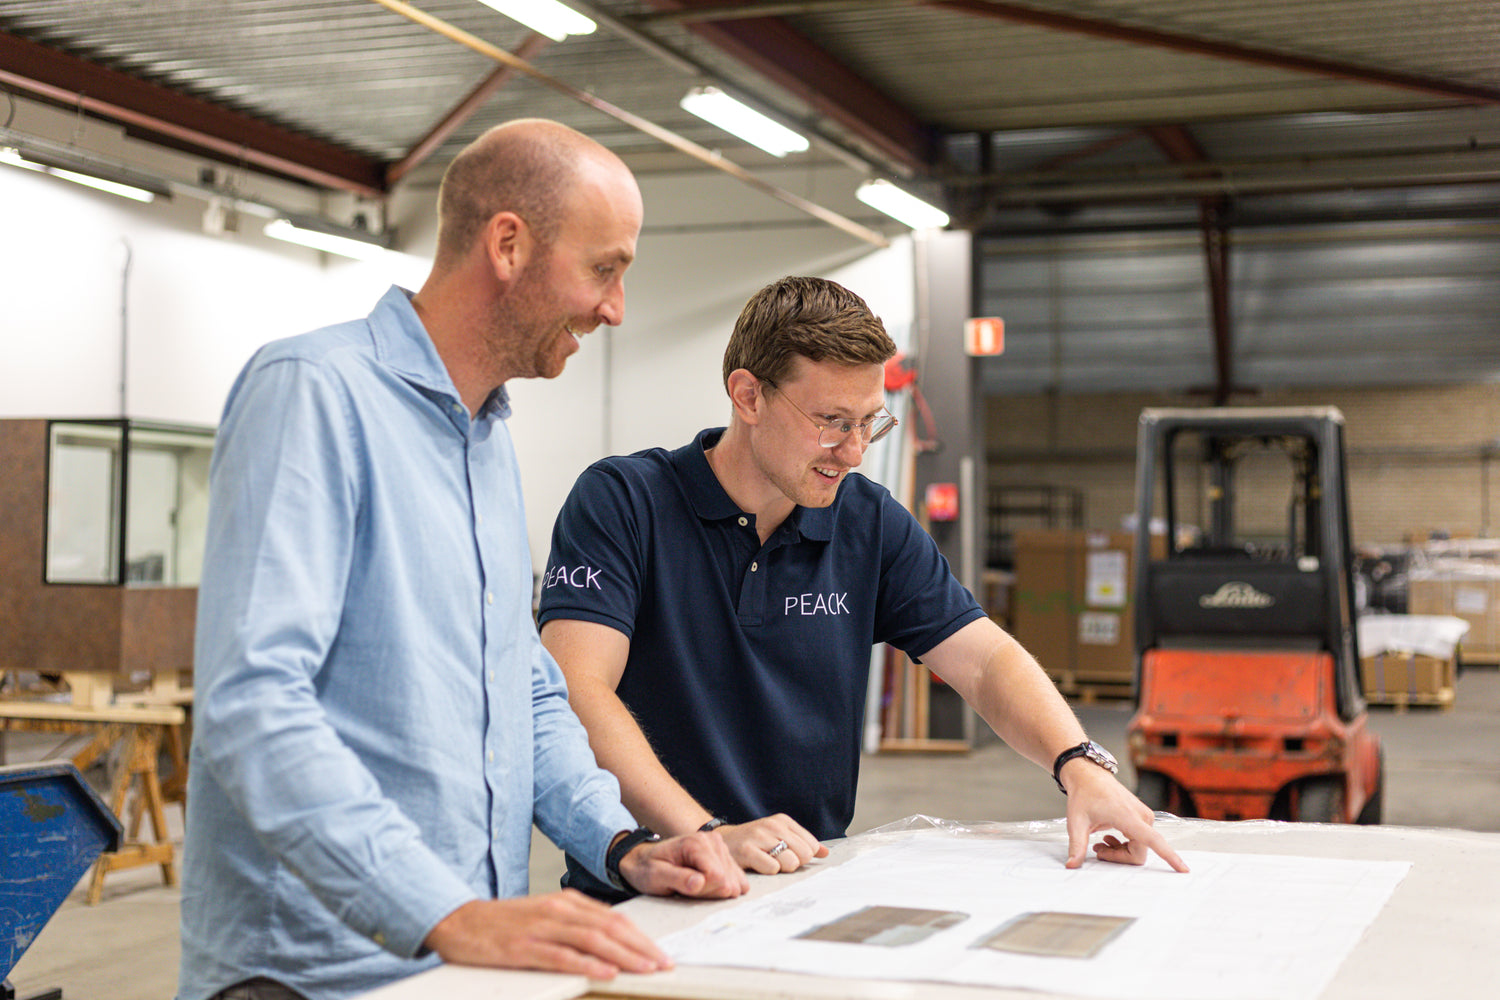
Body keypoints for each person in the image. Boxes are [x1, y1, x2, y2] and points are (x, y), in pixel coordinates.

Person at [178, 119, 746, 1000]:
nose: (615, 309)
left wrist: (621, 843)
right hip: (308, 977)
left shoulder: (485, 438)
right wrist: (445, 911)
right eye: (605, 268)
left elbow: (520, 687)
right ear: (509, 245)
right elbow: (253, 706)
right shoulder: (314, 394)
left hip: (462, 968)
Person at [537, 275, 1188, 900]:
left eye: (869, 423)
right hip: (643, 893)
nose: (852, 452)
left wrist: (1077, 762)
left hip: (800, 890)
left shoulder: (867, 523)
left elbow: (986, 662)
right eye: (831, 421)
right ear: (748, 396)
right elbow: (578, 690)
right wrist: (704, 833)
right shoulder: (624, 503)